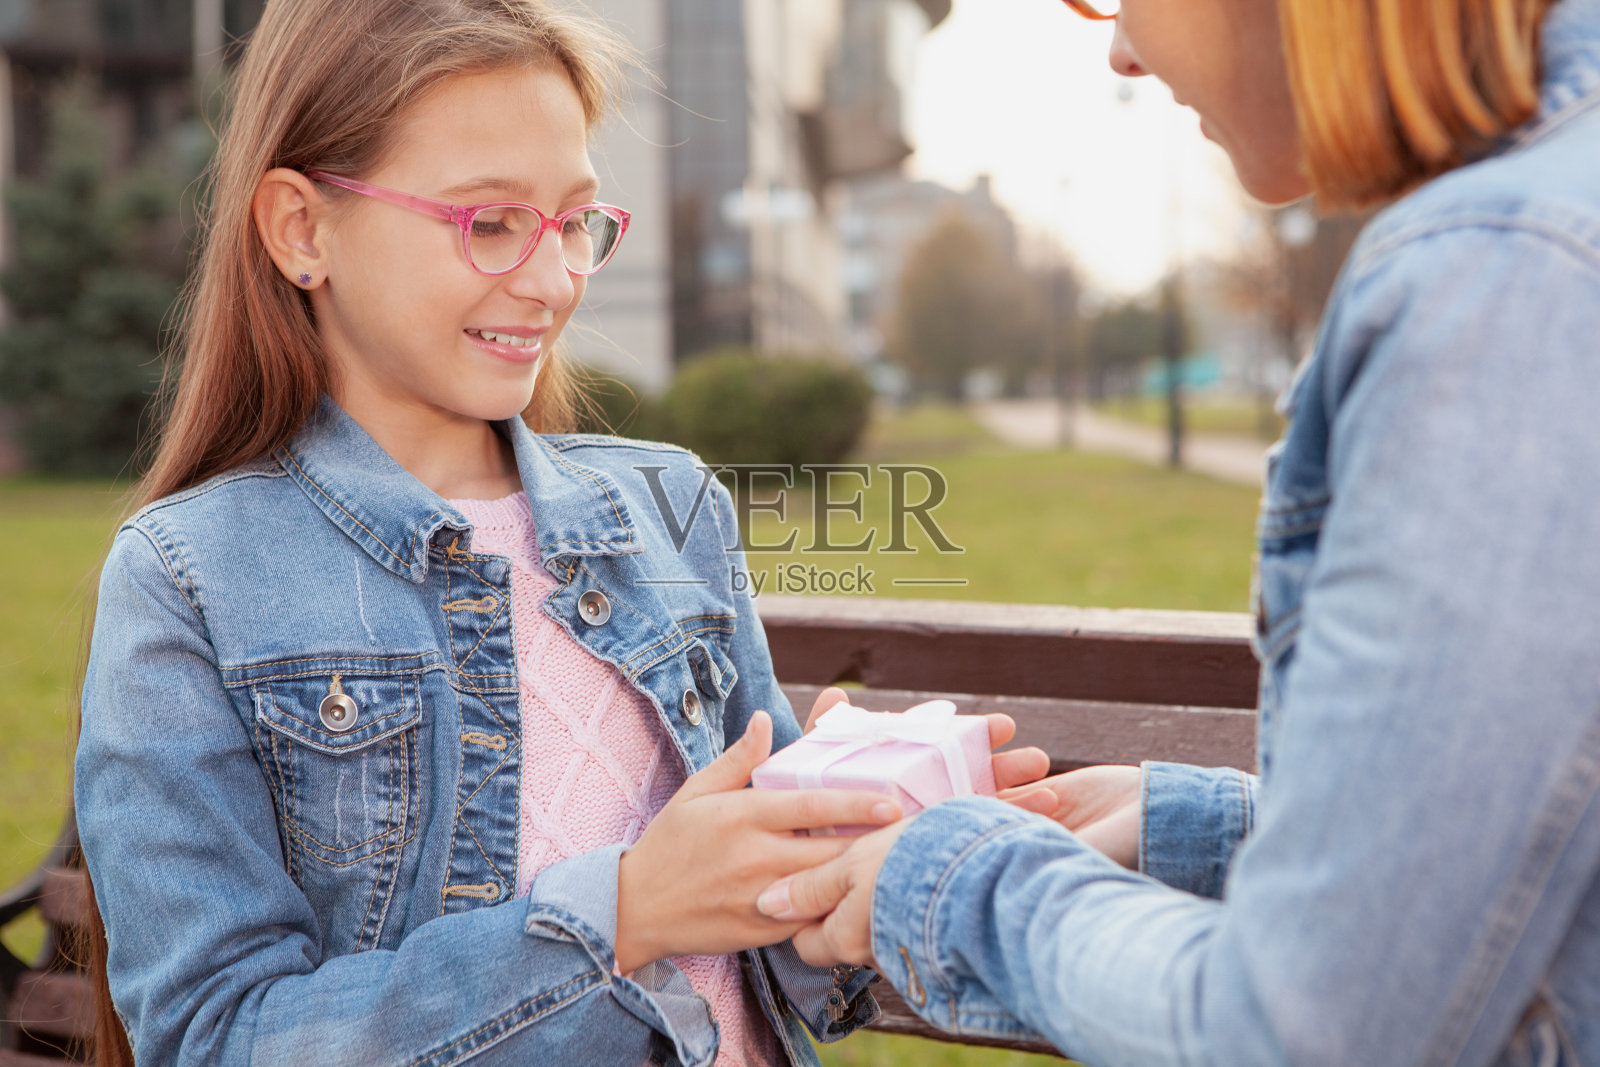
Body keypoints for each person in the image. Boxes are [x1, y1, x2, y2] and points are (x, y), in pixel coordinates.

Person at [70, 1, 1058, 1063]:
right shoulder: (194, 576)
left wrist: (890, 847)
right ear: (302, 229)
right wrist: (624, 912)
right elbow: (215, 1038)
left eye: (573, 220)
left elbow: (779, 956)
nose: (552, 280)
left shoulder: (672, 508)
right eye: (487, 220)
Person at [757, 0, 1600, 1062]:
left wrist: (948, 874)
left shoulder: (1502, 282)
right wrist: (1187, 829)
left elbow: (1303, 1033)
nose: (1117, 46)